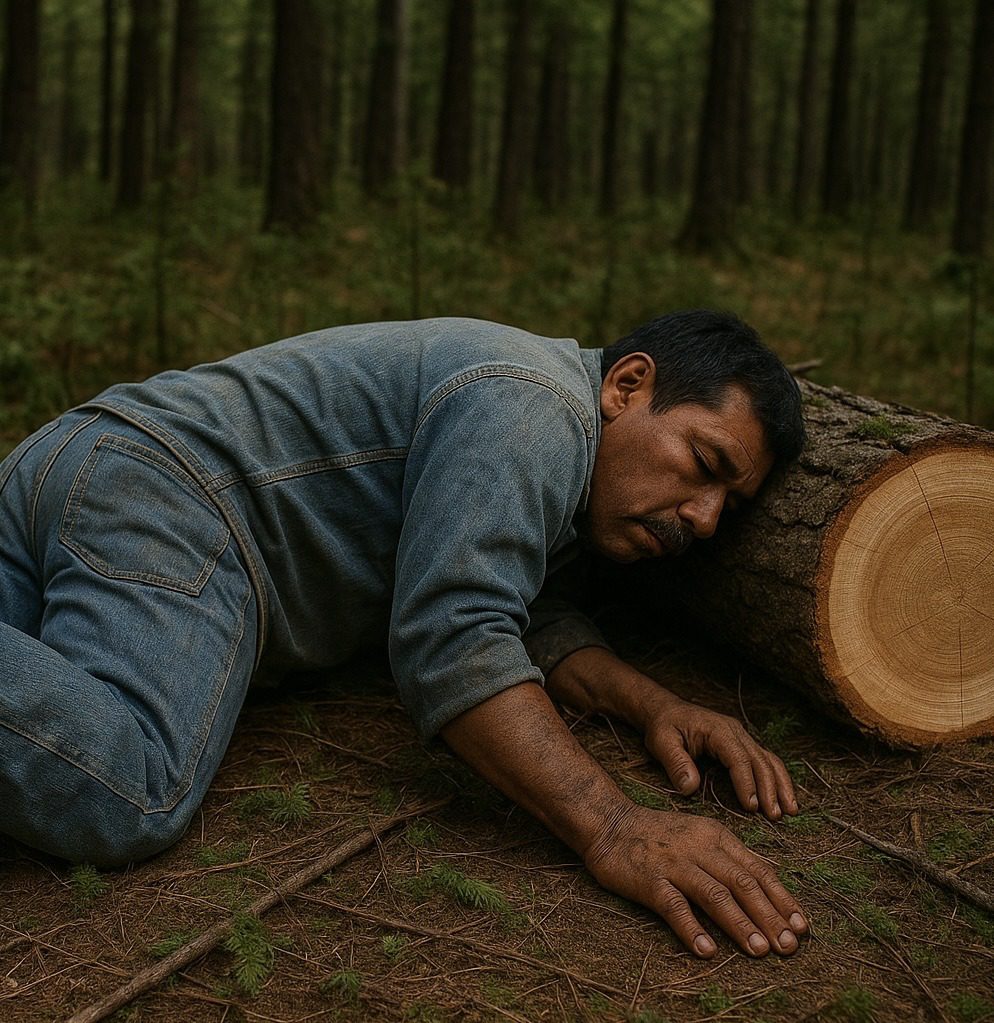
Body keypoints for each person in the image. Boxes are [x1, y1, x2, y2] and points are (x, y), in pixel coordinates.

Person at [0, 310, 807, 960]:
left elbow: (533, 619)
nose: (702, 518)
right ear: (628, 385)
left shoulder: (560, 448)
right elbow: (455, 639)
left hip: (75, 462)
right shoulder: (534, 408)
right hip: (165, 496)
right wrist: (615, 825)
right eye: (704, 461)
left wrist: (653, 704)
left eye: (728, 507)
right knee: (129, 783)